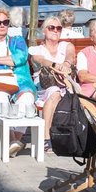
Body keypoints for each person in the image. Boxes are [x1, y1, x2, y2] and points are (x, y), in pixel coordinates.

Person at [0, 8, 37, 157]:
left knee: (27, 99)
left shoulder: (17, 40)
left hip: (21, 81)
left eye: (5, 22)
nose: (2, 25)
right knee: (0, 99)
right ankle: (13, 142)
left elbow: (19, 58)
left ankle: (13, 142)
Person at [28, 13, 75, 153]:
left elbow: (70, 56)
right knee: (54, 91)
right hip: (43, 83)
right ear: (44, 31)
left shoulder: (66, 45)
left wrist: (66, 63)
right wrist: (55, 65)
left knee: (63, 92)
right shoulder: (37, 49)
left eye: (59, 28)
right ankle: (46, 138)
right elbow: (40, 60)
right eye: (51, 27)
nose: (55, 30)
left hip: (64, 82)